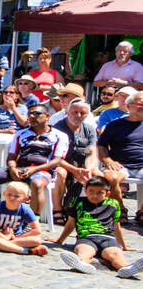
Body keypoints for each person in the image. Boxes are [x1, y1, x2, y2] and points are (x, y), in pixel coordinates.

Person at [0, 104, 67, 217]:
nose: (32, 116)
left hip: (43, 170)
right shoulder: (20, 134)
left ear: (47, 116)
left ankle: (33, 221)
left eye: (36, 113)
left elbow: (56, 161)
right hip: (19, 169)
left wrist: (34, 169)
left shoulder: (59, 136)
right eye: (29, 114)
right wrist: (12, 168)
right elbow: (12, 156)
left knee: (37, 184)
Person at [55, 175, 143, 277]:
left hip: (108, 237)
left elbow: (116, 227)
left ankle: (127, 268)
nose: (94, 195)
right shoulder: (78, 202)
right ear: (85, 190)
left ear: (107, 194)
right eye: (91, 191)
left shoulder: (113, 204)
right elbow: (70, 223)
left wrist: (123, 246)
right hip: (86, 237)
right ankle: (82, 264)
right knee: (84, 251)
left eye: (99, 193)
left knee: (115, 254)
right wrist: (60, 240)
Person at [97, 90, 143, 224]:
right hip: (121, 165)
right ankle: (121, 208)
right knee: (111, 178)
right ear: (129, 106)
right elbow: (101, 146)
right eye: (140, 104)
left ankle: (142, 211)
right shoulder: (115, 125)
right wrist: (107, 160)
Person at [0, 181, 47, 255]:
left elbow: (37, 230)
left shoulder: (25, 209)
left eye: (17, 196)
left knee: (37, 240)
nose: (12, 198)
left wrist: (17, 238)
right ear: (4, 194)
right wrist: (4, 237)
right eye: (9, 194)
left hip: (17, 237)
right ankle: (26, 251)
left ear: (25, 198)